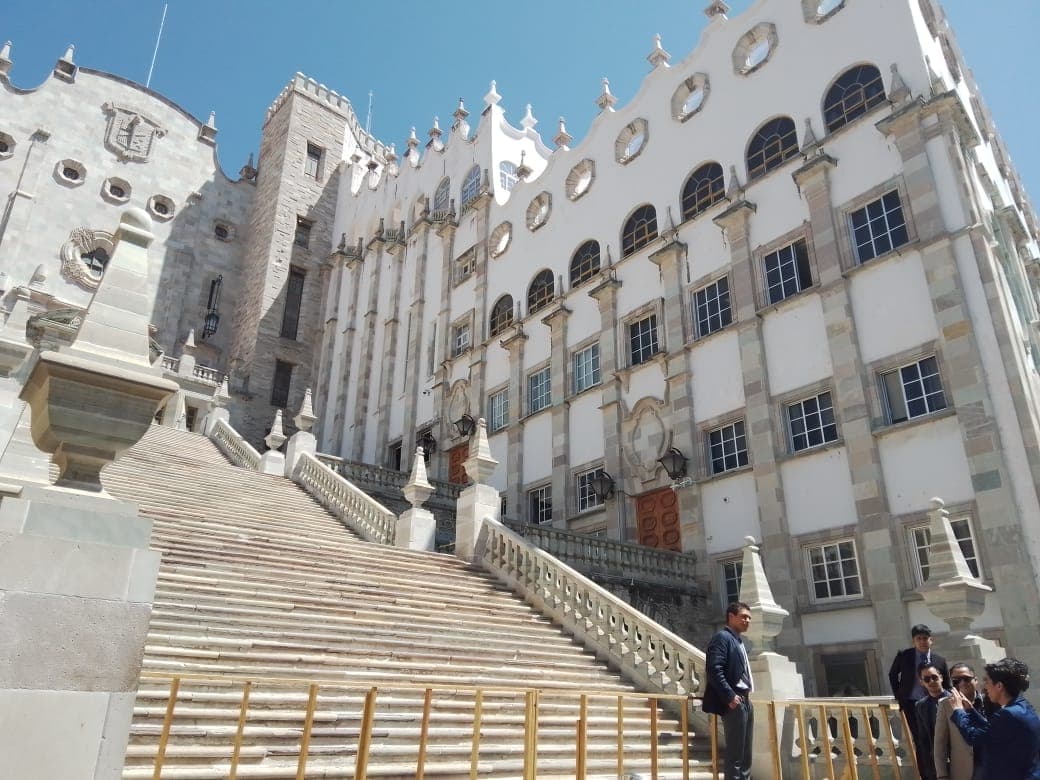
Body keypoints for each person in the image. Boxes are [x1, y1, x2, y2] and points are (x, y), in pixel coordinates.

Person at [949, 657, 1040, 779]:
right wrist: (970, 711)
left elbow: (974, 737)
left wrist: (958, 711)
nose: (984, 686)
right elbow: (990, 731)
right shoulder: (1021, 706)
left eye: (987, 681)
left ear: (999, 686)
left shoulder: (1009, 714)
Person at [703, 602, 754, 780]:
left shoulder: (738, 640)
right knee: (735, 755)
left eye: (749, 618)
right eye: (743, 617)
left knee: (746, 754)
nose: (747, 620)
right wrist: (729, 695)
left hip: (746, 700)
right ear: (731, 616)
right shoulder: (722, 638)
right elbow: (713, 669)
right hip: (734, 700)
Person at [889, 625, 951, 739]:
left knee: (938, 736)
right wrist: (899, 696)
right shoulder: (904, 655)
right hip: (912, 704)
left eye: (925, 638)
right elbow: (892, 675)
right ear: (913, 641)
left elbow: (947, 683)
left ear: (931, 640)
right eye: (918, 639)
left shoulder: (940, 660)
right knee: (918, 739)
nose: (922, 641)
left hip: (935, 704)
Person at [934, 663, 988, 780]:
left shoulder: (990, 701)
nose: (962, 683)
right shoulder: (945, 705)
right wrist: (942, 775)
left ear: (975, 680)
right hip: (963, 771)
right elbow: (940, 743)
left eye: (966, 679)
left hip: (990, 767)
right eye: (956, 680)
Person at [914, 662, 950, 780]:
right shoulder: (920, 705)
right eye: (927, 679)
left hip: (957, 758)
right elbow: (922, 737)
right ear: (921, 682)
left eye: (934, 677)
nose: (931, 682)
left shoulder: (955, 700)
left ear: (941, 677)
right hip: (934, 762)